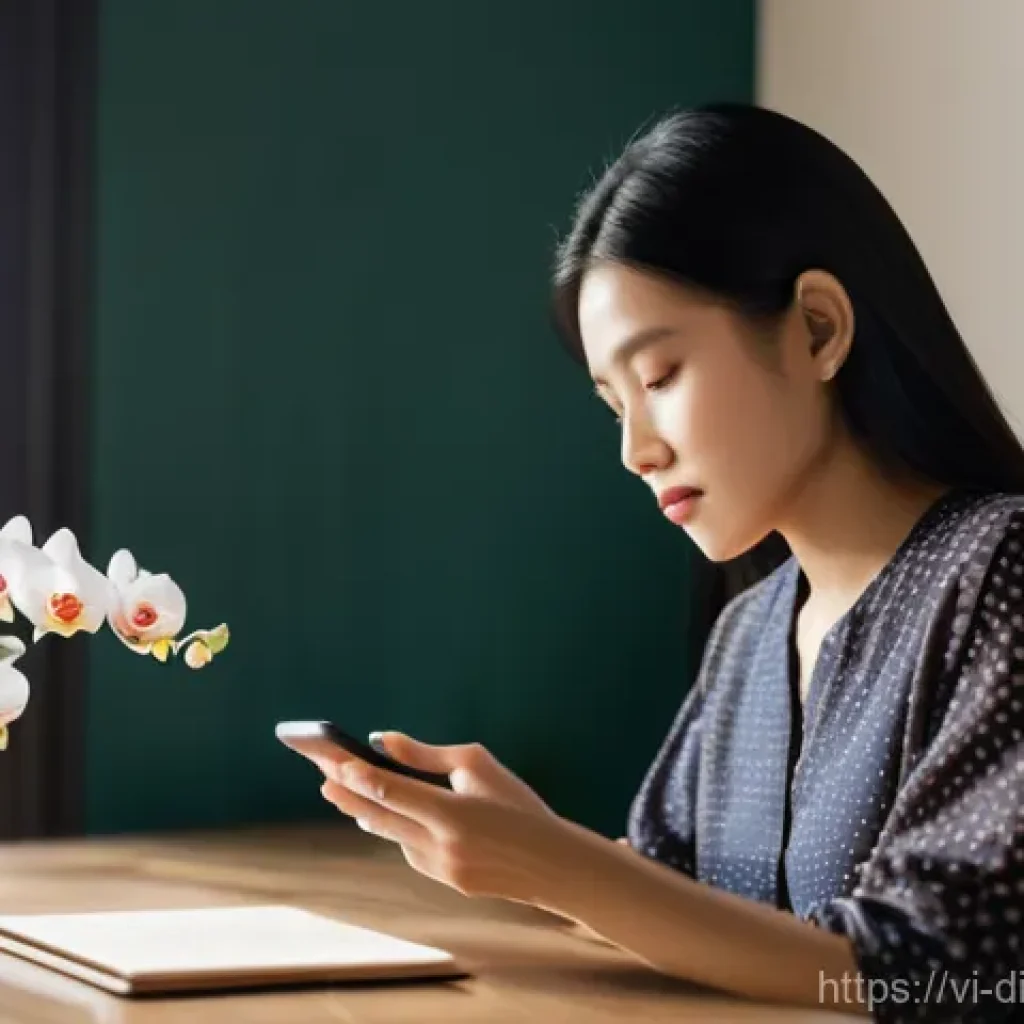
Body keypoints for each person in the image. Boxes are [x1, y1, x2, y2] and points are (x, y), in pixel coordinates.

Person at [312, 103, 1024, 1021]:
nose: (635, 449)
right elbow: (679, 911)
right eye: (615, 405)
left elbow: (946, 974)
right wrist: (538, 857)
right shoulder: (749, 633)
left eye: (658, 379)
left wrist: (566, 869)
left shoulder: (998, 570)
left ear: (817, 328)